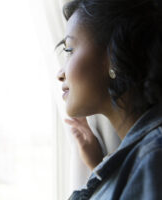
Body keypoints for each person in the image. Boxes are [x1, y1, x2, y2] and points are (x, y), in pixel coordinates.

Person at [55, 0, 162, 199]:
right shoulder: (146, 158)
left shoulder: (153, 158)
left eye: (69, 50)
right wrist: (99, 166)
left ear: (114, 54)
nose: (60, 74)